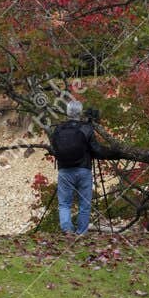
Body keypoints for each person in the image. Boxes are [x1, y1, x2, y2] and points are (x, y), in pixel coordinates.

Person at [48, 99, 103, 235]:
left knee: (64, 203)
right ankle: (81, 233)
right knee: (84, 204)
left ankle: (67, 230)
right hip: (83, 170)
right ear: (80, 112)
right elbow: (96, 149)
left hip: (65, 170)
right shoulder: (86, 128)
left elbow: (54, 148)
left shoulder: (59, 129)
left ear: (67, 112)